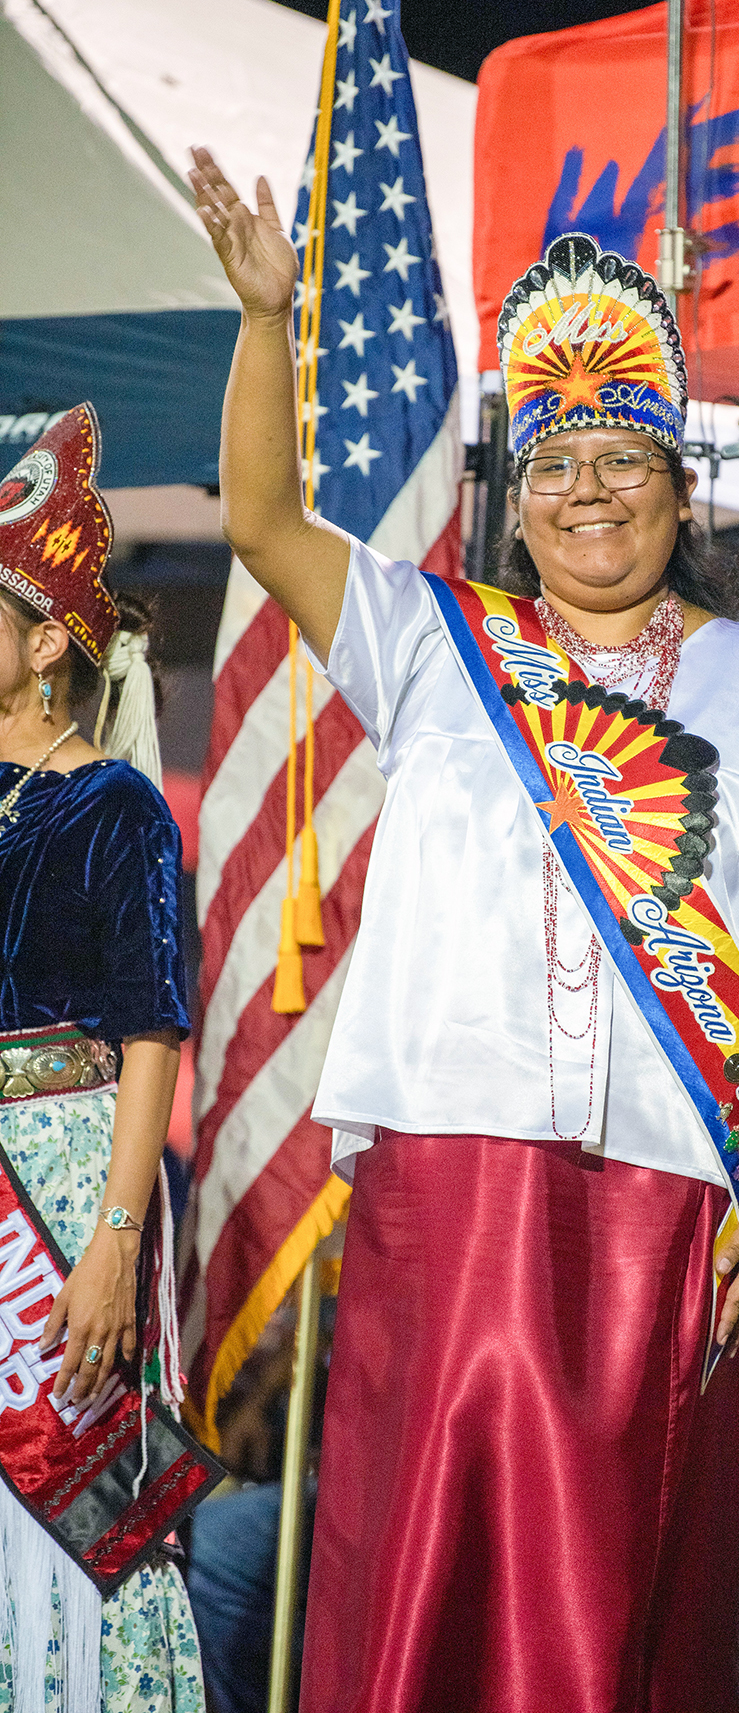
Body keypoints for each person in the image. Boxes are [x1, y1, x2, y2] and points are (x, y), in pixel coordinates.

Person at [191, 147, 739, 1713]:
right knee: (418, 1564)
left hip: (668, 1196)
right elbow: (258, 522)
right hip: (448, 1173)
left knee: (623, 1588)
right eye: (558, 465)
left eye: (624, 463)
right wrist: (263, 319)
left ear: (680, 485)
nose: (590, 496)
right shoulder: (435, 643)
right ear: (518, 498)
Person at [0, 405, 203, 1709]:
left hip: (65, 1188)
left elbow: (152, 1030)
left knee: (66, 1505)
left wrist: (119, 1237)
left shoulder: (111, 804)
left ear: (45, 643)